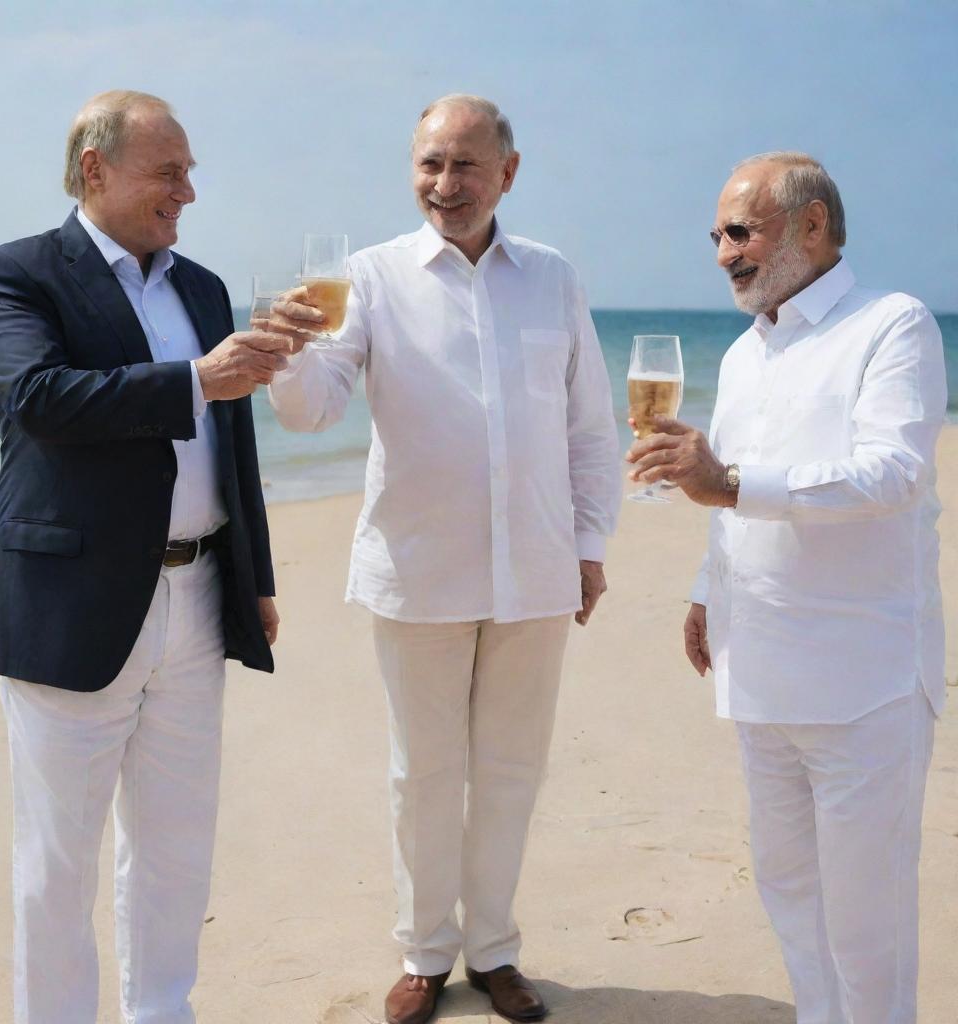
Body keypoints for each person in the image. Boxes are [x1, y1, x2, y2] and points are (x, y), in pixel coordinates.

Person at [264, 95, 621, 1024]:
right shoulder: (370, 276)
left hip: (537, 572)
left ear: (508, 172)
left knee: (511, 770)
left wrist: (588, 544)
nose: (444, 184)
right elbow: (311, 410)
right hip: (415, 571)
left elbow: (589, 427)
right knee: (421, 773)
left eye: (465, 165)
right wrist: (288, 352)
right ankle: (425, 951)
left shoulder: (552, 278)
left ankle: (496, 950)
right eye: (429, 164)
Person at [0, 90, 285, 1024]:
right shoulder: (15, 273)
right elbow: (37, 397)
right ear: (95, 168)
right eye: (169, 171)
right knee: (56, 866)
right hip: (70, 605)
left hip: (197, 598)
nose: (189, 190)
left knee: (176, 847)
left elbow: (233, 446)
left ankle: (162, 1013)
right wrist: (196, 378)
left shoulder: (204, 287)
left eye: (188, 171)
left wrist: (255, 573)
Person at [626, 152, 947, 1024]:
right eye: (717, 236)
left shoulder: (893, 324)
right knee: (792, 899)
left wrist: (726, 482)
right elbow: (722, 494)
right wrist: (704, 588)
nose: (723, 252)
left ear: (813, 226)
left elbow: (892, 476)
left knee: (866, 920)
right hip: (759, 673)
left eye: (741, 231)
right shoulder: (740, 356)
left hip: (865, 682)